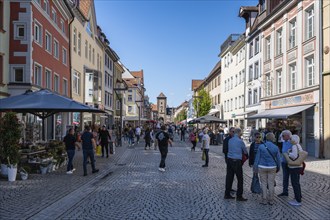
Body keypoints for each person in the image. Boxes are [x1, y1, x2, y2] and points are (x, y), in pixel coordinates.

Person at [254, 132, 281, 205]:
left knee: (263, 183)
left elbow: (257, 158)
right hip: (272, 167)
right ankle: (271, 200)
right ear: (273, 139)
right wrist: (278, 167)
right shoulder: (276, 147)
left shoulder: (261, 146)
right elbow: (278, 159)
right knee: (271, 183)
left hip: (262, 166)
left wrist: (255, 168)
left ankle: (264, 199)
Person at [224, 127, 248, 201]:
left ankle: (227, 194)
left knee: (229, 177)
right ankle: (239, 196)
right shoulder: (240, 141)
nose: (241, 134)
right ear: (239, 133)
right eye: (241, 133)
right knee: (240, 179)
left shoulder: (230, 140)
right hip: (237, 161)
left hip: (229, 160)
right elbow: (245, 151)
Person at [287, 134, 303, 206]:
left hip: (294, 167)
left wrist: (288, 153)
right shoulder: (299, 145)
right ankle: (298, 197)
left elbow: (294, 156)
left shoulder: (294, 146)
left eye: (291, 139)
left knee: (294, 183)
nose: (290, 140)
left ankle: (298, 200)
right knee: (297, 182)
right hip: (299, 166)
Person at [278, 130, 293, 197]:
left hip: (290, 162)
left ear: (288, 136)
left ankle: (297, 193)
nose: (282, 137)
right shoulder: (284, 142)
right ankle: (285, 191)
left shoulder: (292, 142)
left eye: (283, 136)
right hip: (284, 162)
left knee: (293, 179)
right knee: (285, 177)